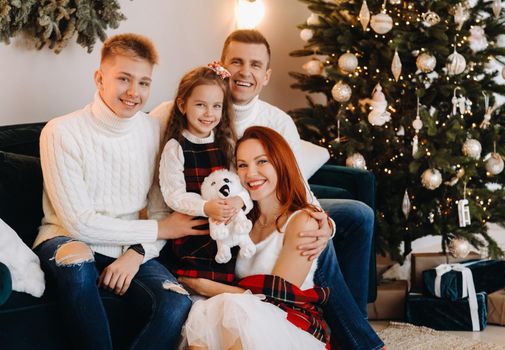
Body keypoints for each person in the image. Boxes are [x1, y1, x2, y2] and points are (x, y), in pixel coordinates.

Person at [150, 30, 383, 349]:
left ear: (266, 74)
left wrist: (323, 224)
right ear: (222, 65)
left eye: (255, 65)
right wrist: (156, 226)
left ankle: (355, 333)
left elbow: (295, 181)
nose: (245, 72)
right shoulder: (182, 108)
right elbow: (154, 172)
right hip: (218, 212)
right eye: (237, 62)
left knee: (348, 217)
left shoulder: (277, 120)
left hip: (264, 203)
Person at [33, 33, 207, 350]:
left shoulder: (155, 131)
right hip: (65, 237)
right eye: (123, 79)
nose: (134, 92)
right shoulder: (61, 132)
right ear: (100, 79)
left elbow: (159, 211)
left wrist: (137, 253)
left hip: (130, 242)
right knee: (77, 262)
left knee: (177, 303)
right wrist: (158, 229)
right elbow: (79, 223)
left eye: (144, 83)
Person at [179, 126, 330, 350]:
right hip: (239, 314)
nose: (251, 174)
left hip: (287, 322)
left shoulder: (302, 221)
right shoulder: (241, 219)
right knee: (205, 313)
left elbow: (278, 299)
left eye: (262, 162)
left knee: (229, 309)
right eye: (242, 165)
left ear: (281, 163)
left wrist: (206, 287)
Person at [158, 63, 252, 285]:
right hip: (194, 234)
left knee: (225, 280)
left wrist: (240, 201)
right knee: (197, 287)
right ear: (183, 105)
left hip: (228, 233)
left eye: (216, 106)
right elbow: (174, 195)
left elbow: (244, 186)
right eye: (201, 105)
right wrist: (204, 207)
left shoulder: (227, 143)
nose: (209, 113)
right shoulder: (176, 146)